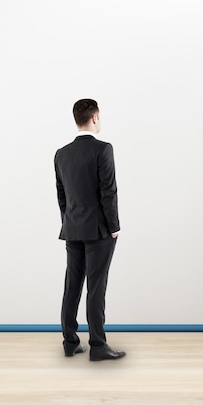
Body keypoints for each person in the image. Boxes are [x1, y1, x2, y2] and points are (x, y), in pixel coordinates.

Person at [54, 99, 125, 361]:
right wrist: (114, 226)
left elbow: (61, 195)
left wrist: (68, 221)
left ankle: (70, 341)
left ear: (76, 119)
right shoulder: (103, 149)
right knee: (96, 287)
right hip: (99, 231)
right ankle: (97, 345)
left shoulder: (61, 153)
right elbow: (109, 191)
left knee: (72, 285)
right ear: (94, 118)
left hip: (72, 228)